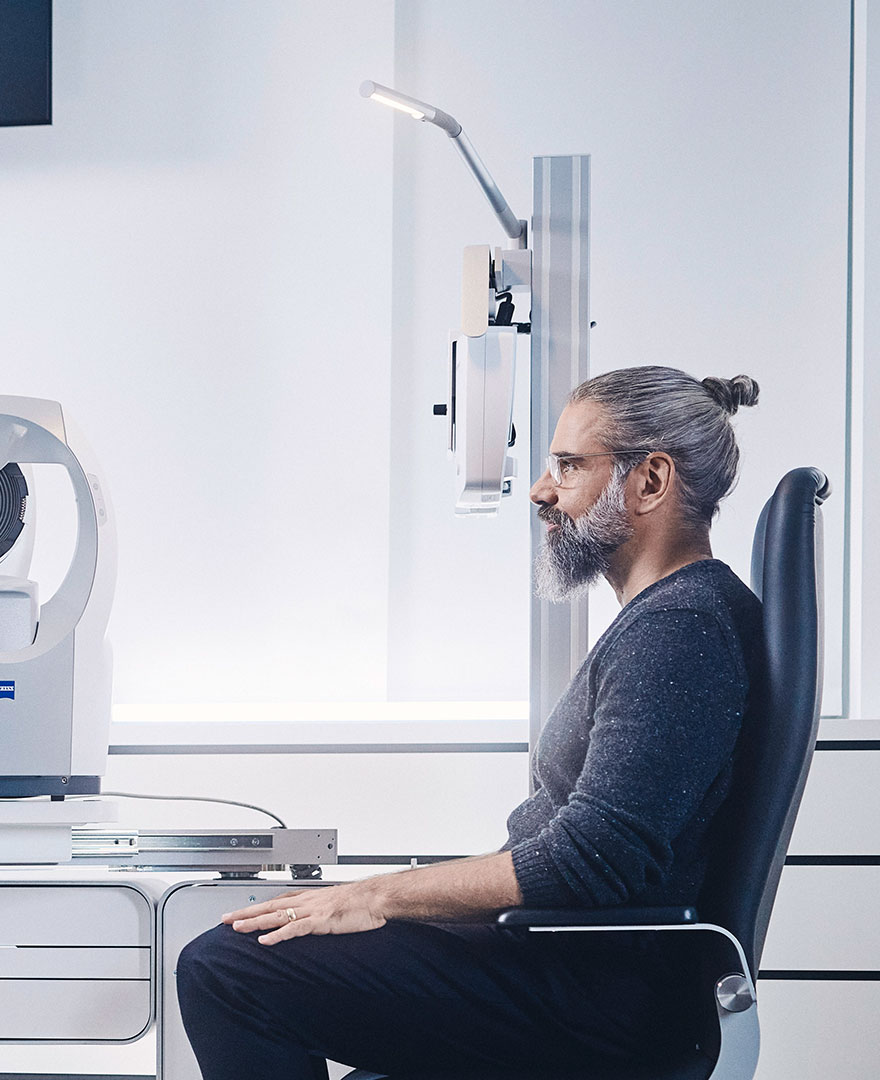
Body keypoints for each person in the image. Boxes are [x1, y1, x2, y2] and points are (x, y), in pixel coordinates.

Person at [175, 366, 767, 1078]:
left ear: (650, 482)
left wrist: (380, 895)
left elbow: (591, 861)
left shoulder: (680, 628)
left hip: (595, 1001)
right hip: (567, 969)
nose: (543, 491)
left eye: (569, 467)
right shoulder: (674, 618)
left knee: (226, 969)